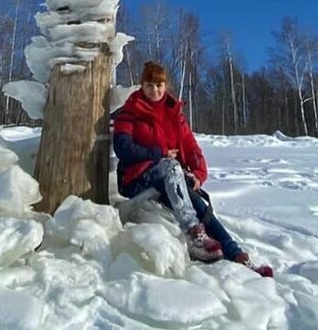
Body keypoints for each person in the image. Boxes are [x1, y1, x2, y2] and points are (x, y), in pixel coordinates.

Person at [113, 61, 273, 277]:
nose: (155, 90)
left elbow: (190, 147)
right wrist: (158, 153)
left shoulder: (173, 112)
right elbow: (123, 148)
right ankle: (194, 232)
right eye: (149, 85)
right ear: (142, 85)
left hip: (169, 177)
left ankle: (236, 255)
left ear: (166, 85)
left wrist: (197, 173)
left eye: (159, 85)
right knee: (170, 166)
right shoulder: (131, 111)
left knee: (198, 202)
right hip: (136, 179)